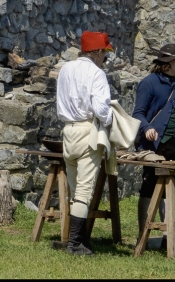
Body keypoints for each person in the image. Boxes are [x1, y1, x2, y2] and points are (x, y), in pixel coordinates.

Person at [57, 31, 115, 256]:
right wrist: (112, 117)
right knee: (83, 191)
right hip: (87, 131)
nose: (105, 59)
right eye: (105, 54)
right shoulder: (96, 73)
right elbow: (101, 109)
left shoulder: (65, 69)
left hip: (68, 131)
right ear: (98, 52)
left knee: (74, 189)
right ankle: (74, 244)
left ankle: (78, 240)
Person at [132, 43, 175, 249]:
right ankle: (143, 235)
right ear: (169, 64)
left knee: (170, 189)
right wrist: (147, 127)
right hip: (153, 146)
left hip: (174, 146)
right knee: (149, 187)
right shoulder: (148, 83)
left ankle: (169, 238)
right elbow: (138, 114)